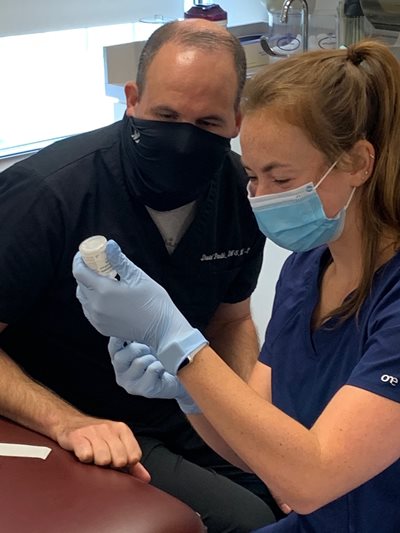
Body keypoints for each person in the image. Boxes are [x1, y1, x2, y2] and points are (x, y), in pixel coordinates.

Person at [73, 39, 400, 532]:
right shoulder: (306, 270)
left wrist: (178, 342)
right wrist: (188, 392)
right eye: (252, 177)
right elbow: (259, 447)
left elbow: (310, 479)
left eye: (281, 178)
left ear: (357, 162)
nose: (261, 199)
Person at [0, 19, 279, 532]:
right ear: (132, 98)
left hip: (184, 407)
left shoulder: (242, 193)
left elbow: (232, 321)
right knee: (251, 521)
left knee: (300, 498)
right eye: (166, 115)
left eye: (208, 124)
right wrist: (67, 421)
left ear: (237, 121)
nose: (182, 141)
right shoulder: (47, 195)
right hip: (82, 416)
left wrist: (246, 418)